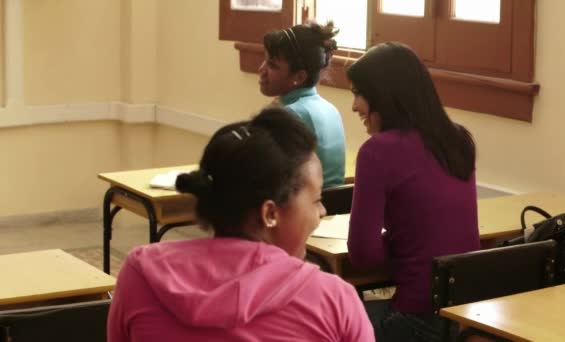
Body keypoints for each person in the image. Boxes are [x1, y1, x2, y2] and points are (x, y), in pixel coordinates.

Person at [107, 107, 374, 342]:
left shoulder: (140, 274)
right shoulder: (333, 300)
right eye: (316, 201)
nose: (321, 212)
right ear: (270, 213)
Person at [346, 42, 480, 341]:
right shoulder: (458, 139)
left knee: (324, 318)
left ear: (384, 94)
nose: (354, 105)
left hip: (414, 321)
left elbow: (363, 255)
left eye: (358, 93)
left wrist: (396, 243)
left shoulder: (377, 152)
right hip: (465, 319)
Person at [259, 21, 346, 188]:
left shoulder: (290, 114)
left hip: (304, 210)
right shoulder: (331, 109)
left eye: (272, 65)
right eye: (265, 61)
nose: (261, 70)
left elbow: (263, 174)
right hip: (333, 210)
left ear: (299, 77)